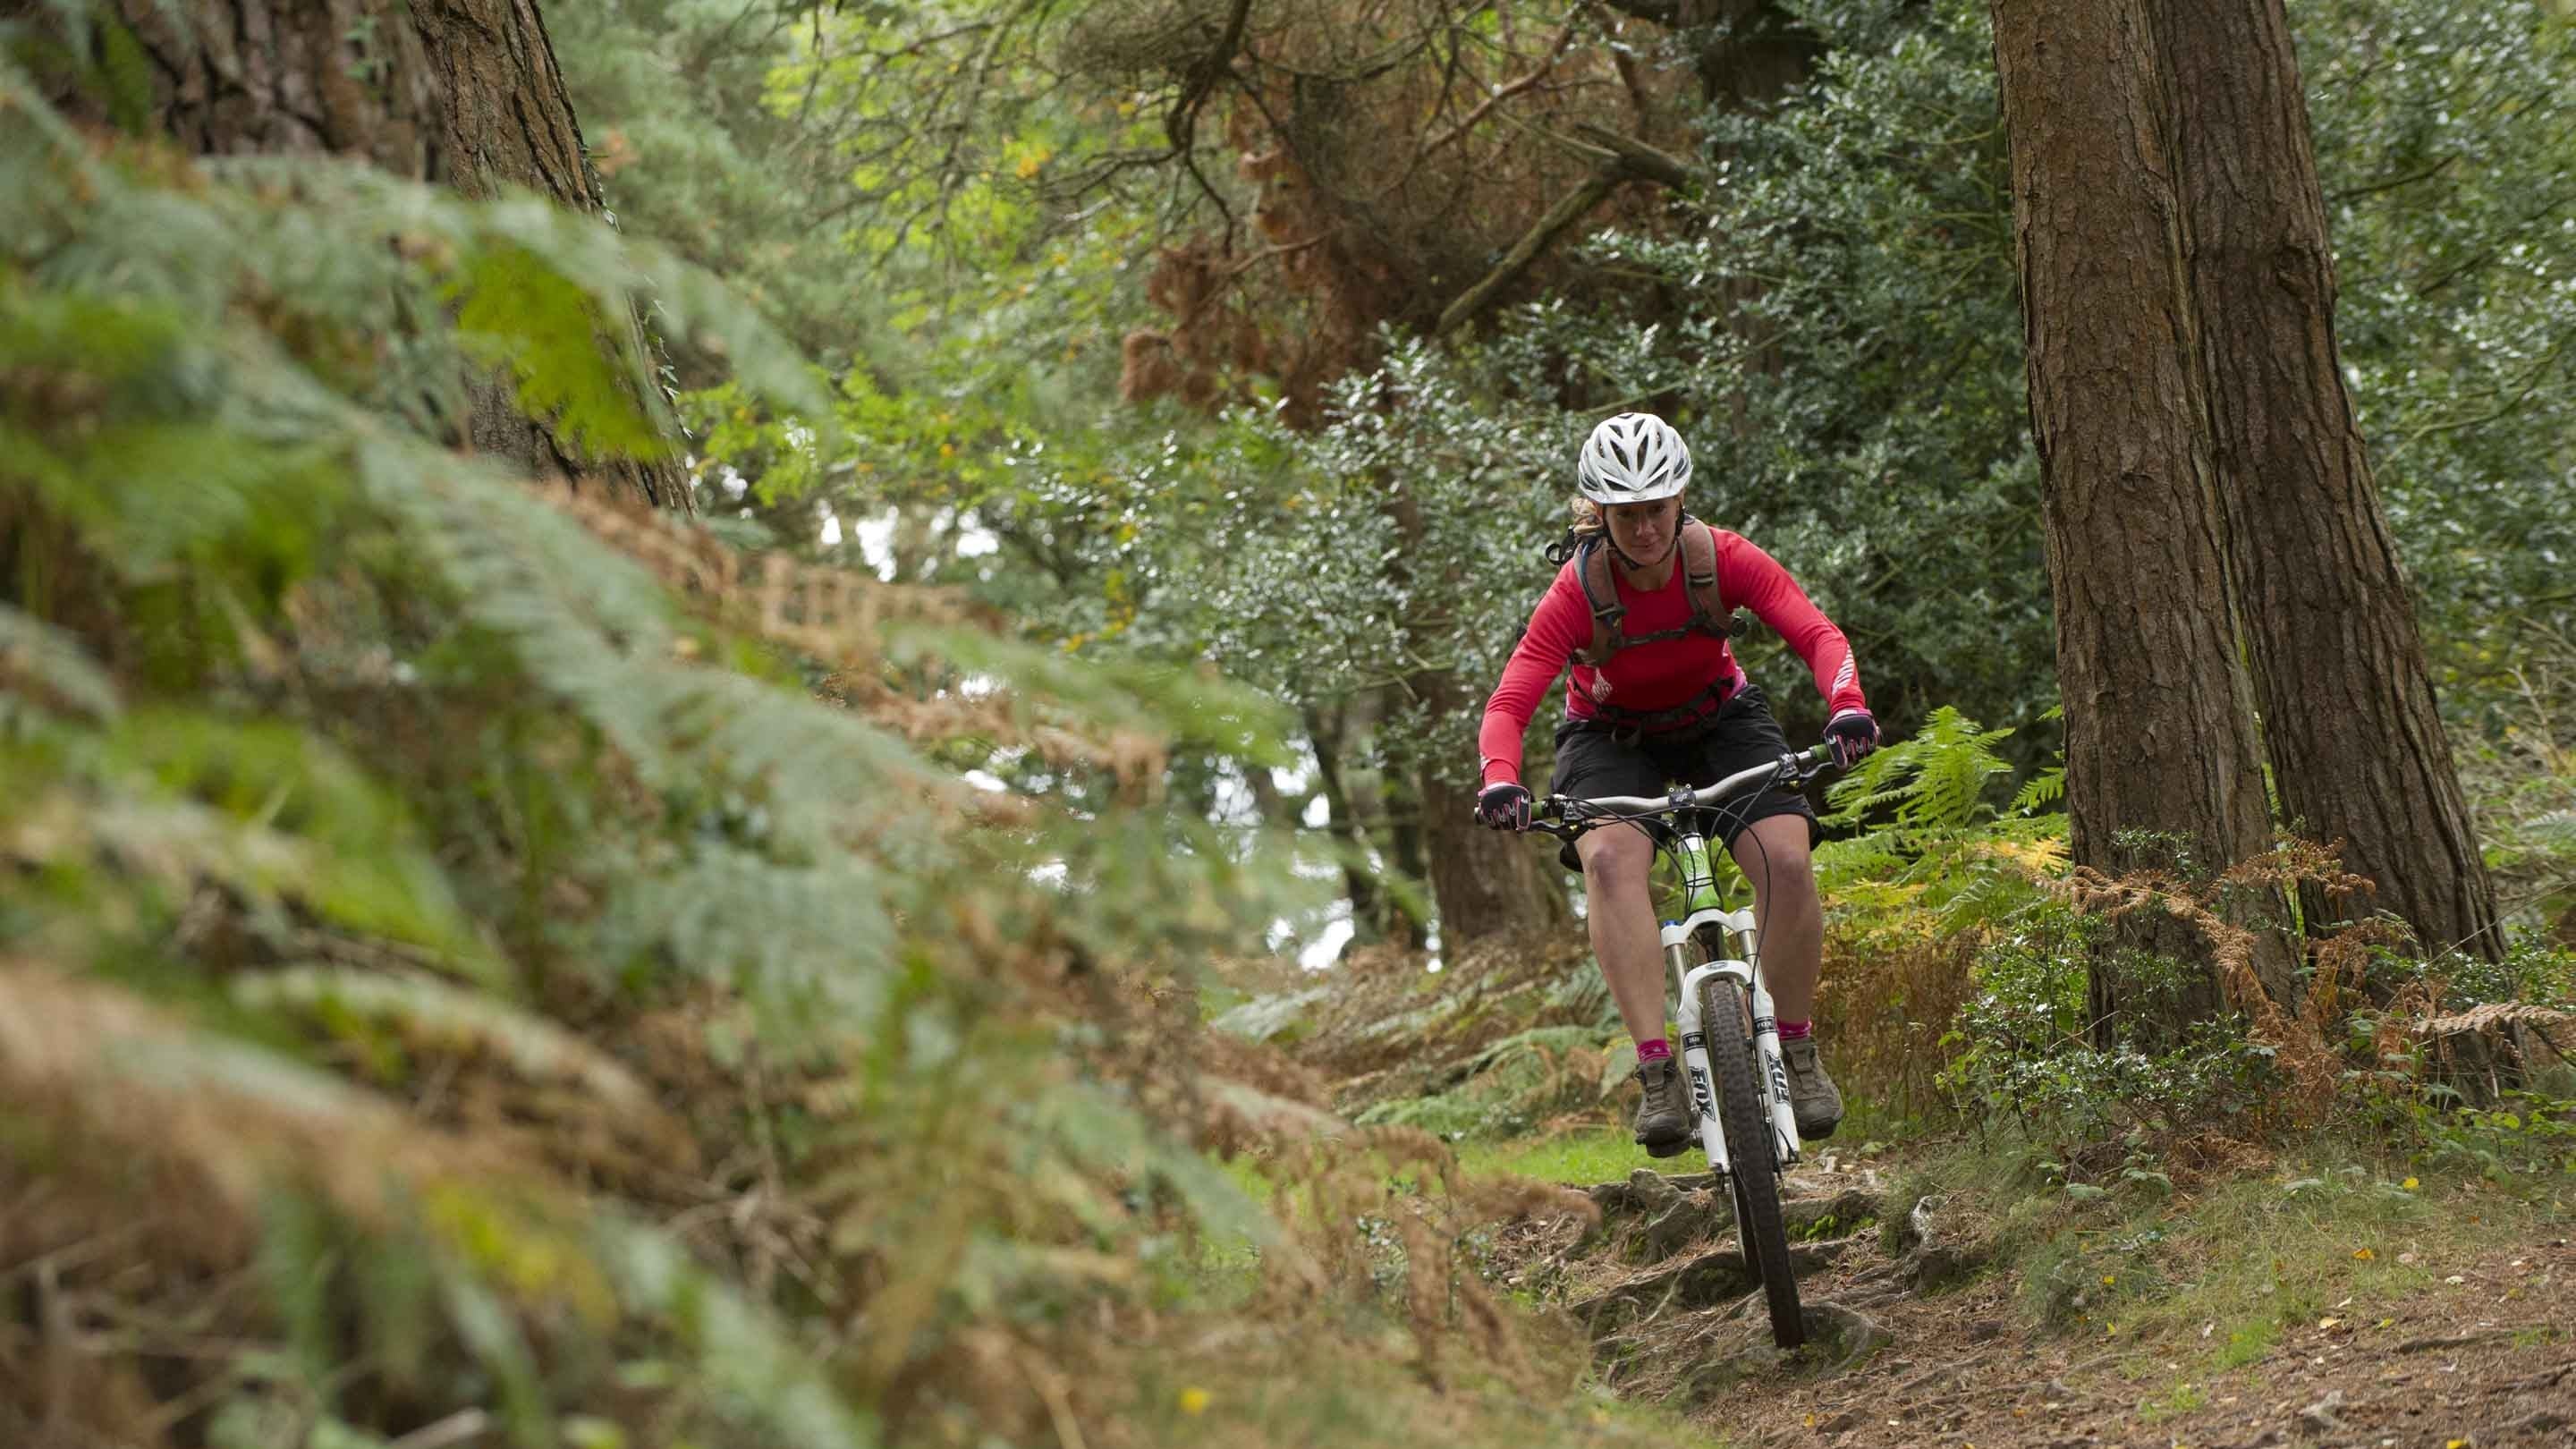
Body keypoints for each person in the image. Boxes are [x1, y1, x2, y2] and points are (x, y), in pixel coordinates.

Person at [1472, 411, 1877, 1158]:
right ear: (1602, 512)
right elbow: (1510, 700)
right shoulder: (1577, 593)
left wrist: (1846, 708)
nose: (1646, 527)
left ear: (1679, 499)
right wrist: (1501, 779)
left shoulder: (1722, 559)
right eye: (1627, 514)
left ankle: (1796, 1049)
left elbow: (1817, 634)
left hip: (1721, 718)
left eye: (1656, 508)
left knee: (1786, 862)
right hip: (1609, 736)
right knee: (1607, 862)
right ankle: (1658, 1072)